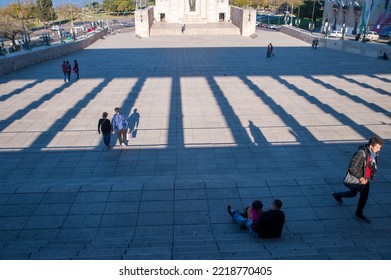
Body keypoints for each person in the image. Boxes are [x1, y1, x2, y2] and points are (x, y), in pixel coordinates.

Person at [333, 136, 384, 223]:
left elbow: (371, 165)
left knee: (364, 196)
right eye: (377, 147)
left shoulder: (374, 153)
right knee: (353, 194)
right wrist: (360, 178)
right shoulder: (361, 153)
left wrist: (371, 174)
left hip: (366, 179)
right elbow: (352, 167)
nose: (379, 150)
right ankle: (338, 195)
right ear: (371, 146)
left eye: (380, 148)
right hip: (360, 179)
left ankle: (359, 213)